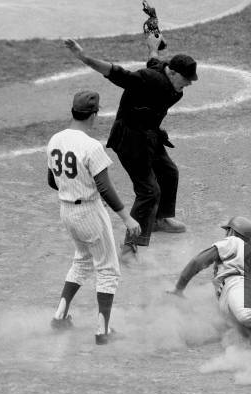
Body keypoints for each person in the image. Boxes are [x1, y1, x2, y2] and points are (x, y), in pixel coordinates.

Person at [63, 34, 198, 261]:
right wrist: (84, 56)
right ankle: (129, 247)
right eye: (187, 78)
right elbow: (116, 73)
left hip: (149, 135)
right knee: (149, 191)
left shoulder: (164, 74)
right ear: (172, 73)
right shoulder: (147, 79)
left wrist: (152, 45)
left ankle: (160, 219)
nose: (189, 83)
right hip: (130, 140)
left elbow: (154, 61)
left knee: (168, 172)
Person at [47, 90, 141, 345]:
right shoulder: (91, 146)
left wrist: (72, 185)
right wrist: (127, 218)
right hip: (88, 212)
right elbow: (105, 187)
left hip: (66, 210)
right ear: (94, 114)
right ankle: (103, 331)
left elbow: (51, 181)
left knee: (82, 260)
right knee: (109, 269)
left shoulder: (55, 139)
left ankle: (60, 317)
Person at [167, 217, 251, 342]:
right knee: (243, 330)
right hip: (240, 291)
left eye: (226, 231)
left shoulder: (232, 241)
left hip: (236, 285)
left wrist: (179, 288)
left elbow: (197, 261)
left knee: (246, 316)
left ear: (232, 232)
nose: (225, 234)